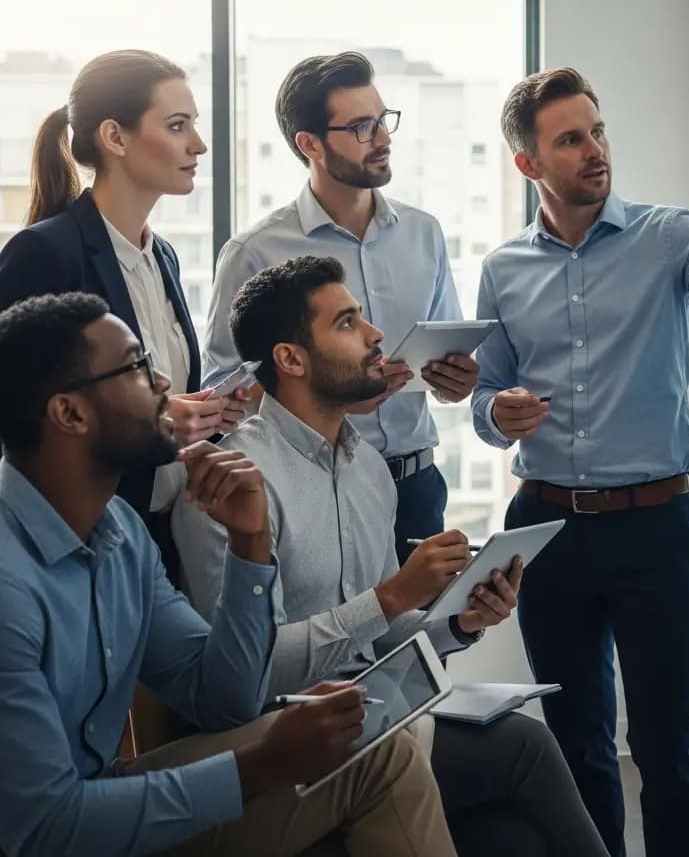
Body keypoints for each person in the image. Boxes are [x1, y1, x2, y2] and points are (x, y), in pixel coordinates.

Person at [470, 68, 689, 857]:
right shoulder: (502, 270)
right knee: (577, 748)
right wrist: (495, 413)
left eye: (597, 131)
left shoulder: (668, 235)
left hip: (654, 530)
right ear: (528, 163)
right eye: (570, 140)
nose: (595, 150)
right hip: (545, 532)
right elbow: (484, 398)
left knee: (669, 749)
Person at [175, 256, 610, 857]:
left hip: (375, 713)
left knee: (512, 839)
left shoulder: (370, 471)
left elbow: (380, 636)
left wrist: (460, 621)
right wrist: (393, 596)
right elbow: (244, 677)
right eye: (347, 323)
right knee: (526, 749)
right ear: (291, 359)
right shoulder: (230, 485)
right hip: (281, 739)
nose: (376, 334)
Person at [0, 292, 456, 857]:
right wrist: (258, 766)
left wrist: (250, 544)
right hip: (51, 831)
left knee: (380, 746)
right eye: (138, 368)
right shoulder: (10, 582)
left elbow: (223, 701)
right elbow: (41, 829)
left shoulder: (120, 533)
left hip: (100, 795)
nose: (164, 383)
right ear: (70, 414)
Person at [202, 52, 478, 566]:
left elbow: (443, 354)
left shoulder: (425, 233)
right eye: (361, 127)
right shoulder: (255, 252)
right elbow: (223, 395)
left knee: (423, 618)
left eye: (383, 119)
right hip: (311, 486)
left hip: (418, 485)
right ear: (309, 144)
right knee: (333, 617)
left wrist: (455, 381)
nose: (383, 137)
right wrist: (335, 397)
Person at [0, 50, 248, 580]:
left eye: (194, 124)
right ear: (115, 136)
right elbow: (19, 415)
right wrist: (147, 419)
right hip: (81, 544)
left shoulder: (163, 257)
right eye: (177, 126)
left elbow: (165, 405)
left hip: (166, 539)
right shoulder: (45, 253)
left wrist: (208, 417)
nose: (199, 145)